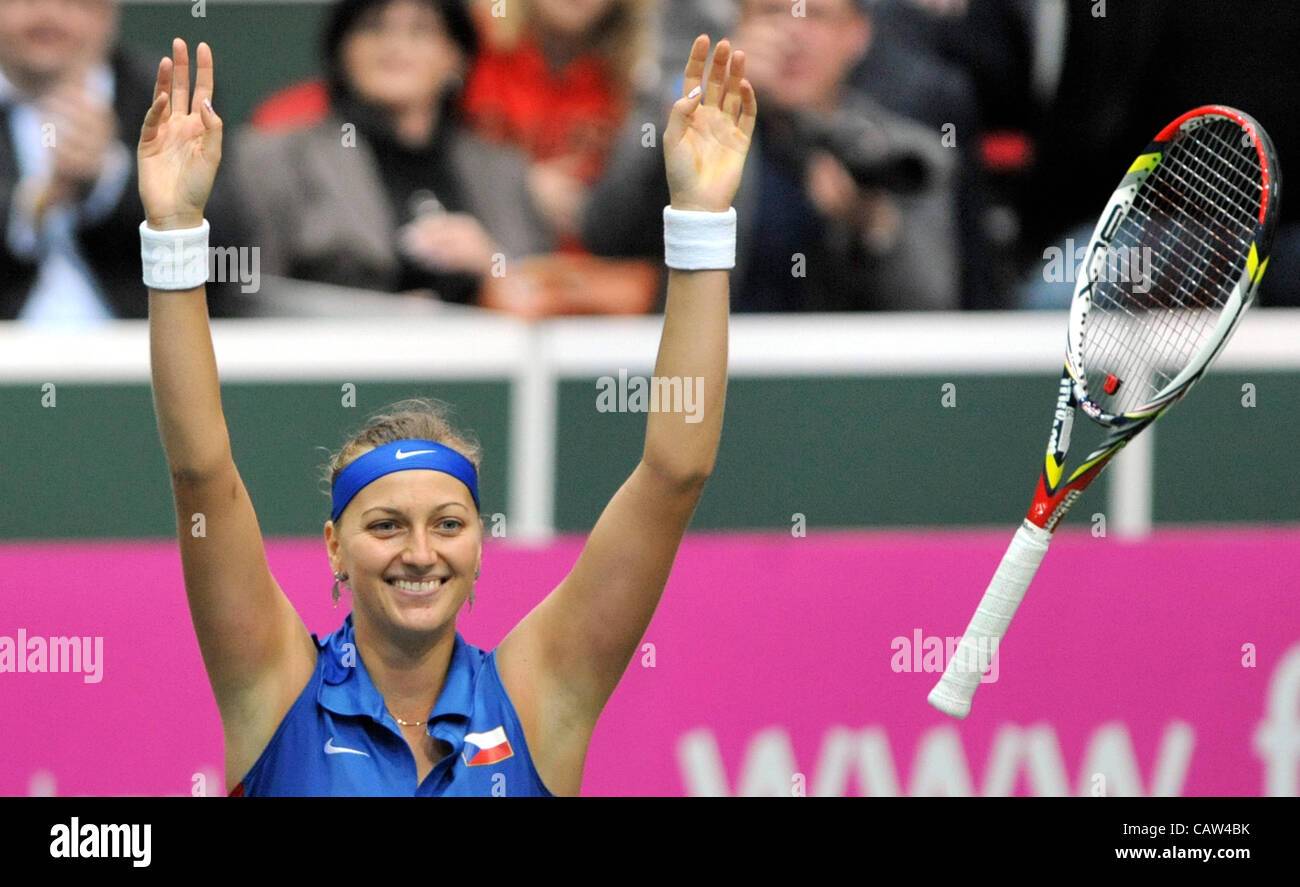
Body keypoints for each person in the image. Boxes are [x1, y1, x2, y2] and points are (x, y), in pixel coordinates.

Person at [138, 34, 755, 795]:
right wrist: (172, 235)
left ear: (480, 544)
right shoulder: (275, 687)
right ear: (335, 545)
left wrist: (699, 219)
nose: (420, 551)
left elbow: (674, 473)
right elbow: (201, 471)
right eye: (386, 524)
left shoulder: (538, 696)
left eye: (448, 523)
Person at [582, 0, 959, 312]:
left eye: (816, 15)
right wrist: (685, 115)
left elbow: (933, 304)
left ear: (858, 35)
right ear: (737, 27)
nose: (792, 34)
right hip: (712, 374)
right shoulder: (695, 123)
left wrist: (872, 226)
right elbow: (605, 234)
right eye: (771, 13)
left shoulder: (900, 155)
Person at [231, 0, 551, 306]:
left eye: (420, 30)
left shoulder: (503, 170)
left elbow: (553, 302)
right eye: (373, 28)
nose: (395, 45)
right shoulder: (277, 159)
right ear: (342, 50)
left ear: (457, 57)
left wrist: (494, 264)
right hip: (336, 358)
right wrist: (383, 318)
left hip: (487, 358)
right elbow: (253, 297)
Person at [0, 0, 247, 321]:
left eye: (74, 4)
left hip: (139, 344)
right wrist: (35, 205)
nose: (49, 16)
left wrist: (109, 179)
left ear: (108, 14)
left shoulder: (166, 93)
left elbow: (228, 250)